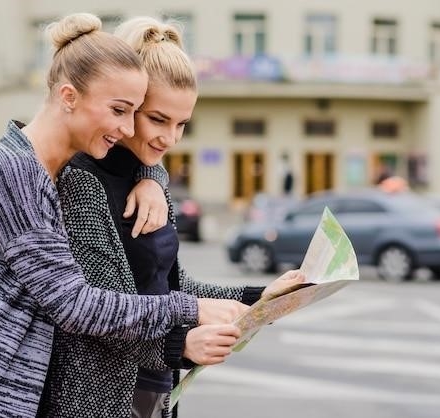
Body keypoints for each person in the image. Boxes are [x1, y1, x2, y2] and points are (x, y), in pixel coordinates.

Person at [0, 13, 247, 418]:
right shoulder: (12, 171)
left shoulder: (48, 172)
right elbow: (75, 303)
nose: (125, 127)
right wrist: (190, 311)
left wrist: (151, 173)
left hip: (5, 400)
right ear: (68, 96)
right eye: (120, 111)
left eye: (133, 112)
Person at [37, 16, 306, 418]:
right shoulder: (82, 179)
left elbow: (172, 287)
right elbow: (93, 315)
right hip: (94, 397)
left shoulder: (152, 182)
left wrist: (260, 300)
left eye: (182, 123)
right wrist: (178, 344)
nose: (170, 138)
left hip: (157, 391)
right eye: (157, 119)